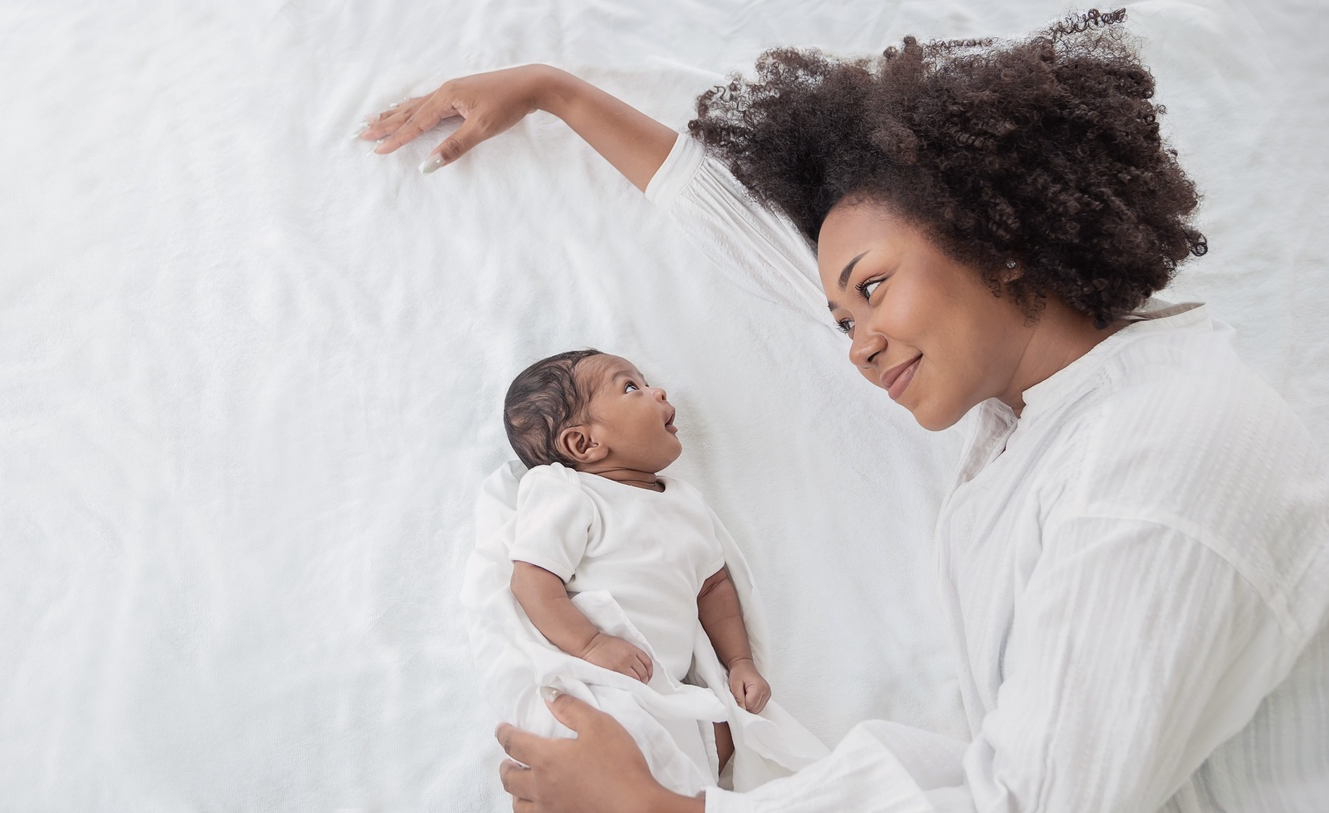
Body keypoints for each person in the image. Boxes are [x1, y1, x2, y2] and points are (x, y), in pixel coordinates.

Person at [363, 10, 1329, 813]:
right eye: (841, 317)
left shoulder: (1154, 465)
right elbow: (763, 245)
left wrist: (666, 809)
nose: (858, 343)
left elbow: (1034, 801)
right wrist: (552, 91)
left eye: (870, 290)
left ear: (1001, 239)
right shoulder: (1047, 401)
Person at [496, 349, 780, 792]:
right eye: (631, 387)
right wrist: (589, 643)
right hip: (606, 681)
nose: (658, 391)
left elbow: (714, 588)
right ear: (584, 444)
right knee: (615, 752)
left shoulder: (685, 501)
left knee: (724, 731)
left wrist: (739, 662)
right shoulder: (570, 492)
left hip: (670, 685)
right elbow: (532, 578)